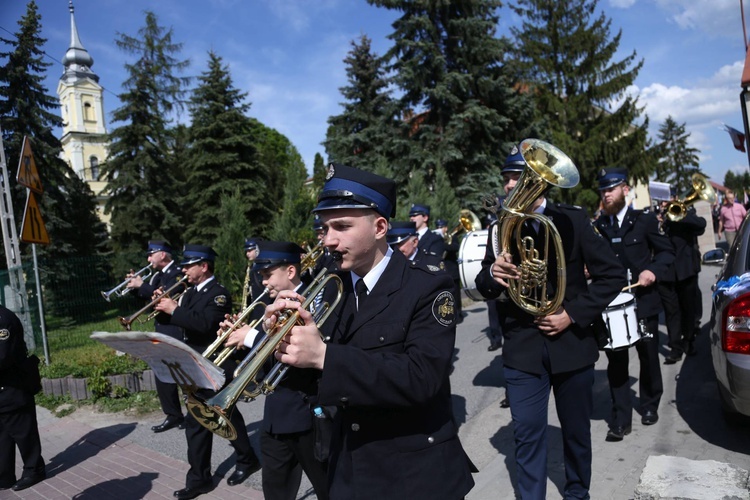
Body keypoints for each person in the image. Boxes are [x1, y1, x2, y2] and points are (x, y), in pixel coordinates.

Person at [265, 163, 475, 499]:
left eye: (342, 227)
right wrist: (280, 343)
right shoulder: (330, 288)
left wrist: (325, 356)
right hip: (349, 466)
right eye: (324, 228)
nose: (328, 240)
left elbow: (422, 377)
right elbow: (314, 380)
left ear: (379, 227)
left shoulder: (430, 286)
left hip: (415, 473)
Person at [475, 144, 625, 499]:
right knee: (526, 433)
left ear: (538, 182)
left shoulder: (572, 219)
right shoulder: (500, 228)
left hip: (571, 344)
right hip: (523, 350)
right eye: (508, 178)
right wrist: (492, 273)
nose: (511, 185)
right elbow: (483, 285)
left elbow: (612, 274)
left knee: (575, 433)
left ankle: (577, 493)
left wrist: (571, 314)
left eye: (517, 177)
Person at [221, 241, 329, 500]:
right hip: (276, 417)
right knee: (275, 492)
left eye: (268, 275)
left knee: (329, 488)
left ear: (290, 272)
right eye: (261, 276)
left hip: (308, 416)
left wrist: (250, 337)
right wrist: (235, 340)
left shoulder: (315, 300)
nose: (263, 282)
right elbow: (263, 361)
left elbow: (302, 352)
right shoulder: (271, 305)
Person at [154, 244, 261, 499]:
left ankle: (222, 469)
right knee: (210, 418)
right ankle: (223, 468)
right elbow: (179, 321)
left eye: (189, 265)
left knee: (211, 419)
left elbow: (205, 325)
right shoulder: (189, 293)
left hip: (214, 363)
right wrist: (163, 306)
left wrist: (175, 309)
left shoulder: (218, 294)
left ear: (204, 266)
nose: (184, 269)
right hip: (193, 364)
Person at [595, 167, 674, 442]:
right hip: (612, 305)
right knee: (616, 363)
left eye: (611, 189)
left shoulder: (644, 221)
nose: (606, 194)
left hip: (643, 301)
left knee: (649, 356)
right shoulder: (598, 226)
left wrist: (652, 270)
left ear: (625, 190)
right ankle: (620, 419)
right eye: (602, 190)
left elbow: (666, 252)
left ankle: (650, 404)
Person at [126, 240, 185, 433]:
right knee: (162, 372)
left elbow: (166, 296)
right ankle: (173, 415)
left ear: (163, 254)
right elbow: (147, 300)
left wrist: (142, 285)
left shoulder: (177, 272)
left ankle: (198, 410)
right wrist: (135, 287)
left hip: (174, 328)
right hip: (161, 328)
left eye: (151, 254)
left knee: (184, 373)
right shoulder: (157, 276)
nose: (148, 258)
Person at [0, 305, 45, 492]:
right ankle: (4, 476)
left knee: (24, 431)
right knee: (2, 436)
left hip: (14, 387)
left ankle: (34, 470)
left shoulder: (3, 320)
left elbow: (2, 357)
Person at [658, 198, 706, 363]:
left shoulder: (687, 212)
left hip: (686, 270)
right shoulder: (656, 216)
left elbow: (701, 225)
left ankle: (688, 342)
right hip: (666, 272)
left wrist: (680, 213)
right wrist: (661, 219)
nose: (664, 204)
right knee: (671, 312)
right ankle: (675, 348)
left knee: (688, 309)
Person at [436, 218, 464, 323]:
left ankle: (459, 314)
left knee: (456, 294)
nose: (440, 229)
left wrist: (445, 245)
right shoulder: (436, 239)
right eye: (438, 227)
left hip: (452, 270)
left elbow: (456, 247)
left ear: (446, 228)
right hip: (443, 271)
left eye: (442, 227)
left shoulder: (452, 237)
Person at [243, 237, 266, 310]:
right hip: (255, 307)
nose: (247, 254)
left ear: (257, 249)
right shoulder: (250, 268)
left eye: (250, 250)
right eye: (246, 251)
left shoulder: (264, 267)